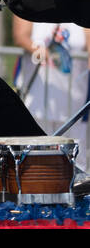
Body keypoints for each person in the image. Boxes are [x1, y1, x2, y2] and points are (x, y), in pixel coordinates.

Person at [12, 15, 90, 150]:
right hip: (35, 105)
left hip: (74, 106)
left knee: (76, 163)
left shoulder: (83, 4)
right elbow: (20, 36)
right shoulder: (32, 1)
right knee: (35, 161)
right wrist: (39, 50)